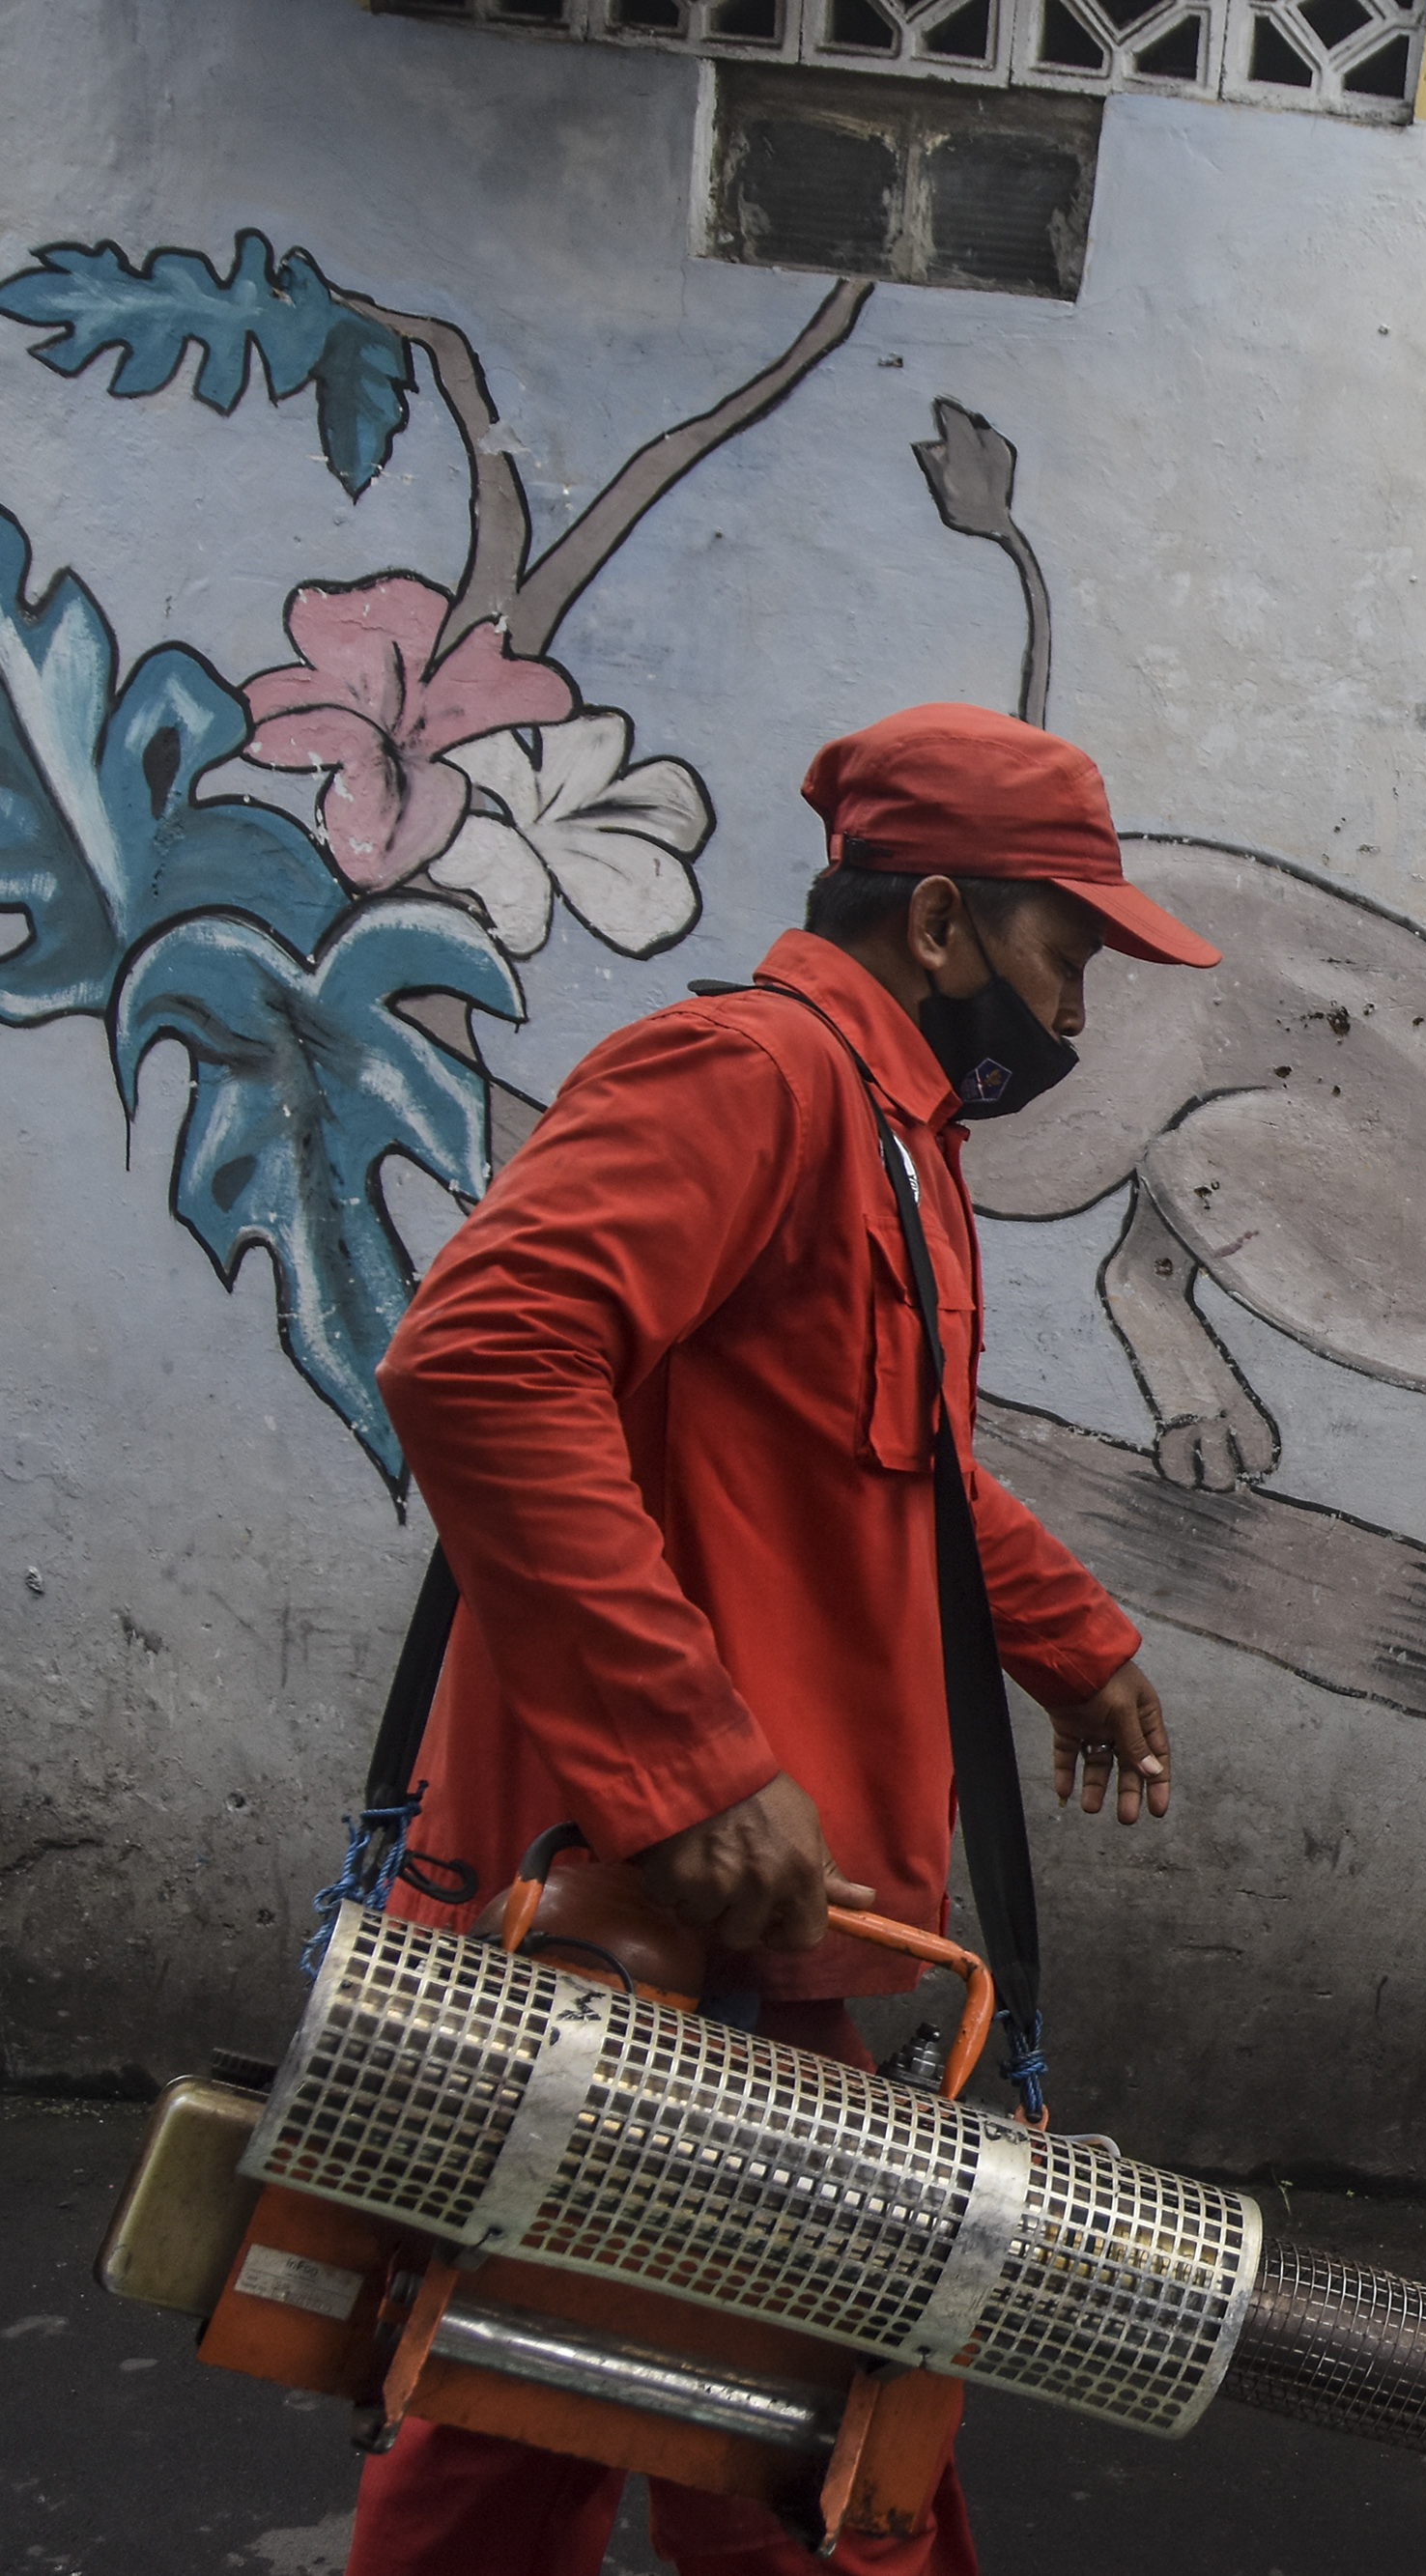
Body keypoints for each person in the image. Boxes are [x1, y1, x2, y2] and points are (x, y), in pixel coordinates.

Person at [348, 703, 1222, 2576]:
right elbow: (480, 1358)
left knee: (605, 2422)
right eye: (1066, 949)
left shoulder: (885, 1134)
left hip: (718, 1935)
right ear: (935, 924)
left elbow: (881, 1451)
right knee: (803, 2445)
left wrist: (1069, 1635)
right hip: (647, 1921)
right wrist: (688, 1762)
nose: (1079, 1011)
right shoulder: (751, 1076)